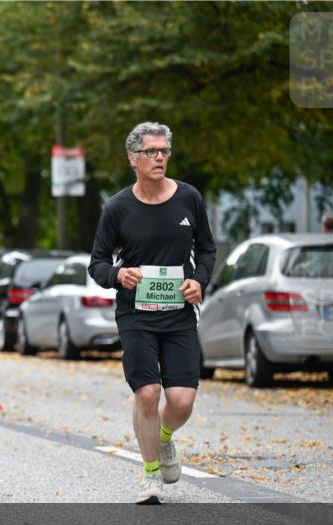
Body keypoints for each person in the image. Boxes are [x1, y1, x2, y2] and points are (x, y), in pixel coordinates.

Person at [88, 122, 217, 504]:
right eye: (151, 152)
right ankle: (150, 478)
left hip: (178, 314)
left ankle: (163, 440)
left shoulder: (189, 198)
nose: (159, 157)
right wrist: (117, 274)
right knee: (147, 392)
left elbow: (207, 249)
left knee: (180, 401)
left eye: (164, 151)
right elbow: (96, 263)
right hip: (136, 315)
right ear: (134, 158)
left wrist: (200, 281)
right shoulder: (117, 207)